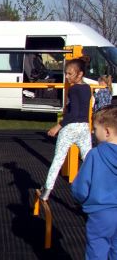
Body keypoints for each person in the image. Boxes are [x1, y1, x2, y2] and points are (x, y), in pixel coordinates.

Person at [40, 57, 92, 200]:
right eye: (66, 73)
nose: (67, 77)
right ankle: (93, 190)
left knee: (58, 160)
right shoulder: (87, 88)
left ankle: (47, 189)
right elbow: (82, 109)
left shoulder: (74, 89)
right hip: (84, 128)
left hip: (71, 127)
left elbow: (74, 113)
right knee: (88, 160)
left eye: (70, 74)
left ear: (80, 74)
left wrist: (58, 126)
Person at [71, 105, 117, 259]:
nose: (93, 132)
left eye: (95, 128)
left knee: (97, 248)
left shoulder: (95, 155)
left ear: (107, 132)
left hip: (101, 212)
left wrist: (81, 199)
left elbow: (81, 187)